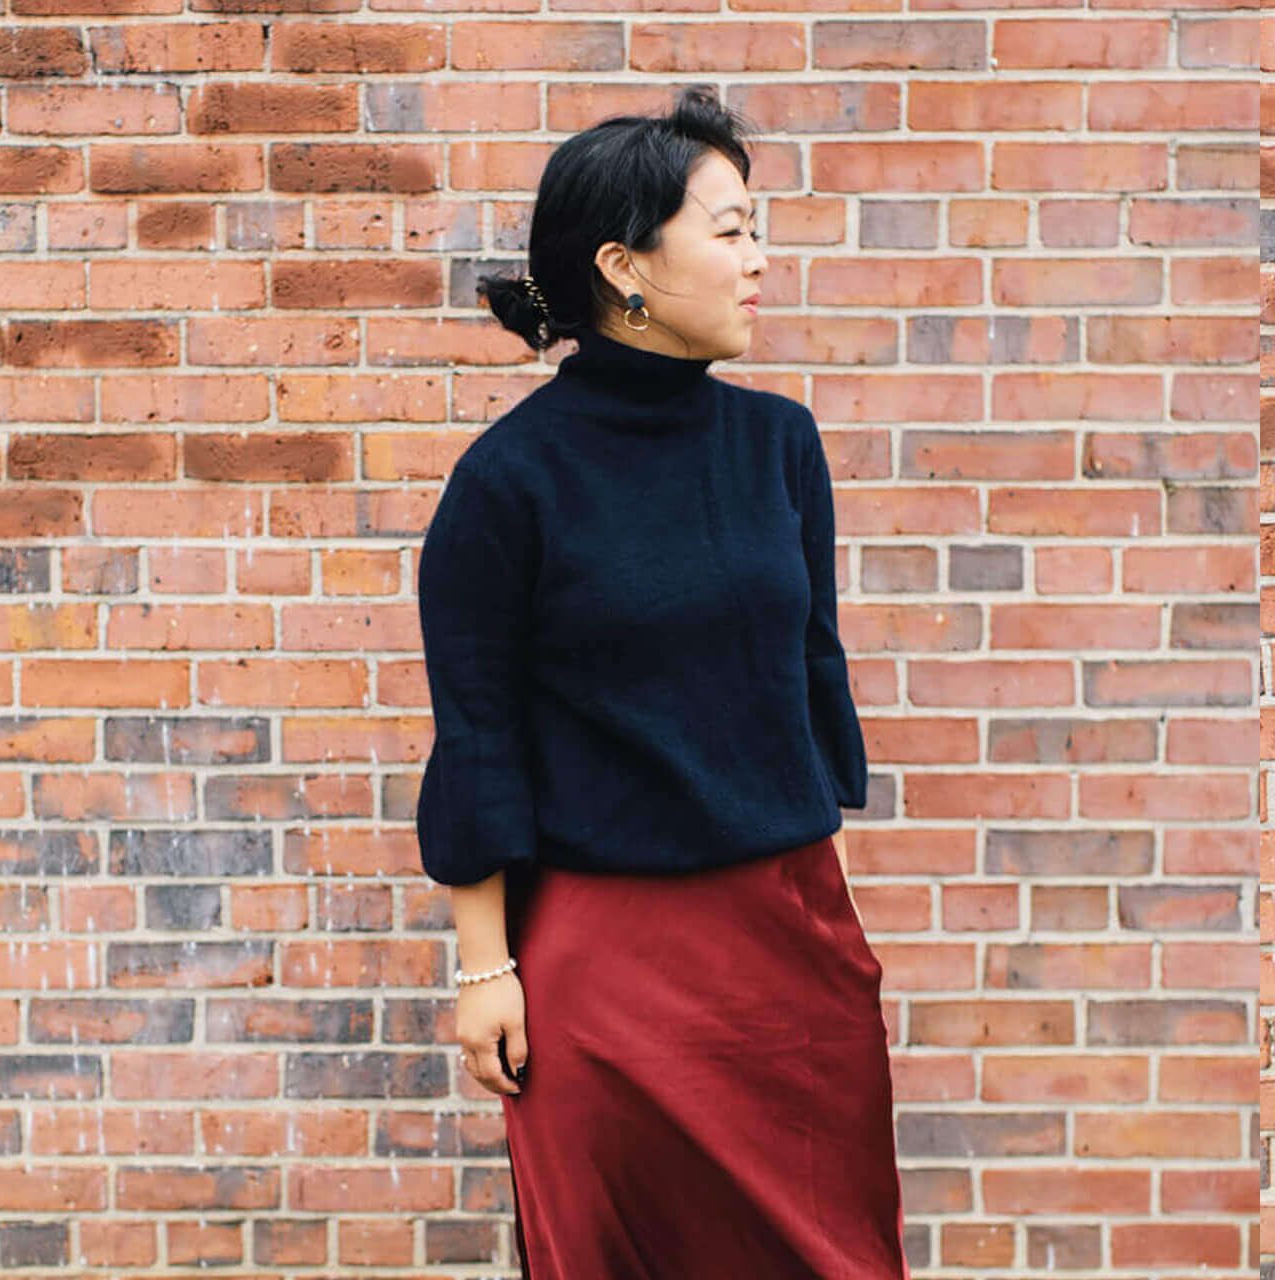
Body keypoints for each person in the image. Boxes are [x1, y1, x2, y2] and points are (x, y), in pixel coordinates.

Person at [414, 87, 900, 1279]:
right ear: (625, 267)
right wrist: (486, 970)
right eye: (730, 231)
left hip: (790, 951)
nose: (760, 259)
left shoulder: (779, 447)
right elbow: (478, 738)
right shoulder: (507, 484)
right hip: (607, 971)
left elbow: (796, 681)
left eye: (755, 228)